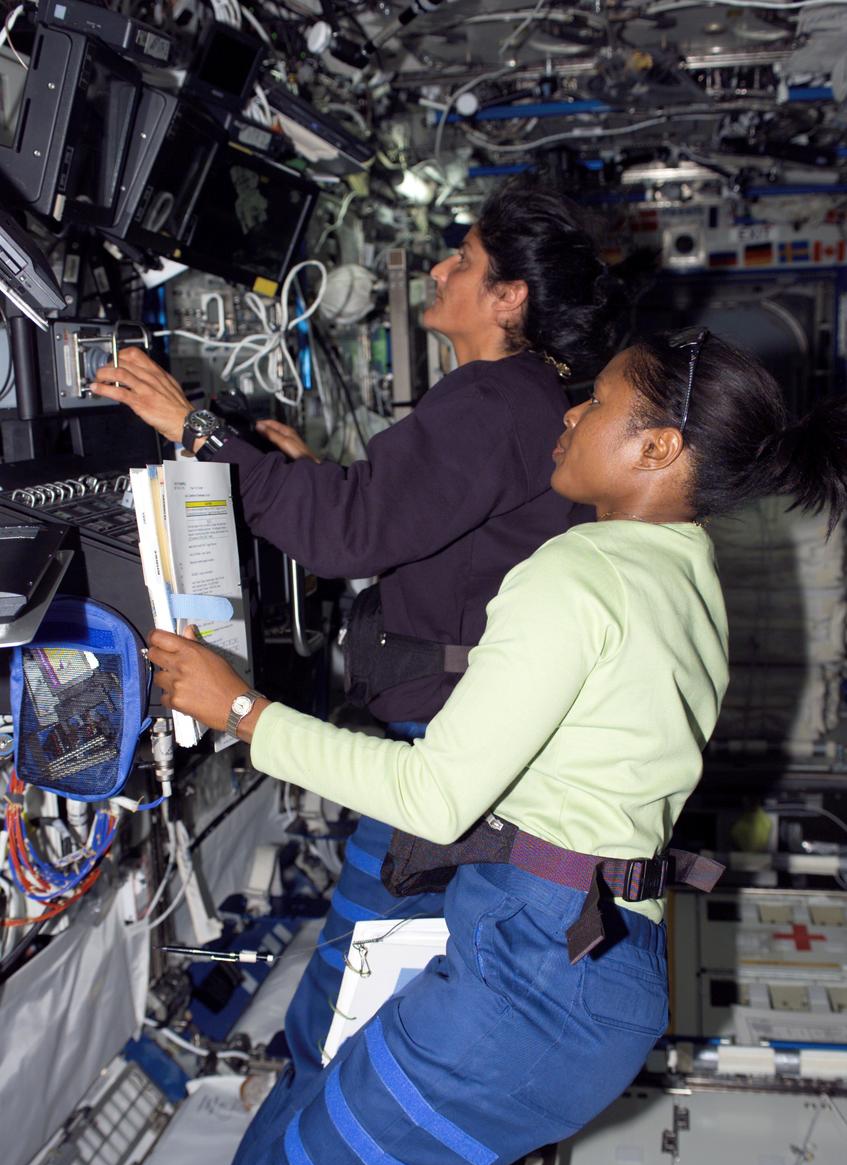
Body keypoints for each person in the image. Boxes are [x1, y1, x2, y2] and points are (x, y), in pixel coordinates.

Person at [148, 328, 847, 1165]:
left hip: (529, 982)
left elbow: (432, 796)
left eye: (594, 403)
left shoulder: (581, 572)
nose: (568, 413)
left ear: (656, 447)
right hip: (585, 961)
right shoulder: (686, 578)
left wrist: (239, 709)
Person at [92, 179, 627, 1082]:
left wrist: (193, 428)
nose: (439, 267)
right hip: (474, 740)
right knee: (374, 946)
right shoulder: (534, 401)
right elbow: (422, 530)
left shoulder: (494, 401)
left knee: (367, 961)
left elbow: (343, 536)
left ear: (509, 298)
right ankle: (319, 1073)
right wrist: (317, 479)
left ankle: (316, 1108)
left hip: (442, 744)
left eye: (463, 258)